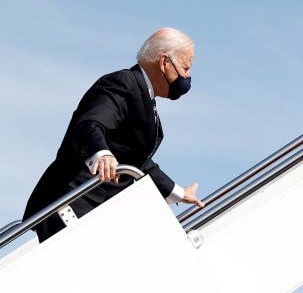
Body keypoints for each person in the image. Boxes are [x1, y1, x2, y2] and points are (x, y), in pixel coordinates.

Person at [23, 27, 205, 243]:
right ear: (164, 62)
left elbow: (139, 162)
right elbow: (89, 124)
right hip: (70, 203)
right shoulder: (124, 83)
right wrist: (101, 155)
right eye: (185, 68)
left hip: (93, 209)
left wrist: (180, 193)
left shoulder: (145, 98)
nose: (187, 77)